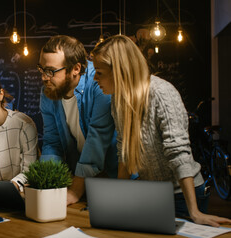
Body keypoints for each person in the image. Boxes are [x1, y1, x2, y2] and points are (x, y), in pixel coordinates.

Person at [91, 34, 231, 227]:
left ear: (120, 71)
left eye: (99, 71)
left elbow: (178, 153)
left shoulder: (162, 93)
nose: (94, 77)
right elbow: (124, 150)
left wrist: (195, 212)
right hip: (154, 193)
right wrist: (119, 197)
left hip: (183, 195)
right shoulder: (119, 99)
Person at [38, 35, 117, 205]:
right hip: (81, 179)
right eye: (42, 69)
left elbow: (96, 139)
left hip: (116, 178)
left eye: (51, 71)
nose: (44, 77)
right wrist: (46, 186)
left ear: (75, 68)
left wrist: (74, 191)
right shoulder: (49, 91)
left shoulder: (100, 83)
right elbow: (52, 142)